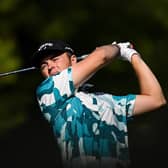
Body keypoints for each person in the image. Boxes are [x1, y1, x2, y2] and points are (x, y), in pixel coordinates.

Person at [31, 40, 166, 168]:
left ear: (73, 60)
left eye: (55, 59)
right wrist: (118, 49)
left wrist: (132, 56)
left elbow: (155, 99)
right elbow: (101, 56)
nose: (50, 66)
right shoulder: (47, 93)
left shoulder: (106, 101)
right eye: (44, 65)